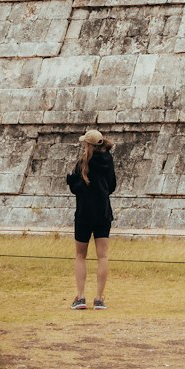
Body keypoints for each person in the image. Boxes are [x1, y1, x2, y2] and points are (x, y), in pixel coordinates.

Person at [66, 127, 116, 310]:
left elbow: (76, 188)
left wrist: (71, 179)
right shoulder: (108, 161)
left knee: (80, 255)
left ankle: (80, 297)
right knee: (102, 256)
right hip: (102, 212)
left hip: (84, 213)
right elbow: (112, 186)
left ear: (87, 144)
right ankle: (100, 298)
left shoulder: (82, 163)